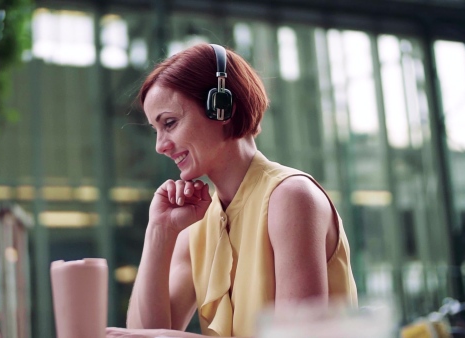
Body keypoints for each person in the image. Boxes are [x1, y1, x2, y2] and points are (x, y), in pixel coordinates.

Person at [107, 43, 357, 338]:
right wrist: (159, 232)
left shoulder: (291, 197)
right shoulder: (197, 226)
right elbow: (145, 334)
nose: (160, 146)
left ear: (221, 108)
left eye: (170, 123)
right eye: (155, 130)